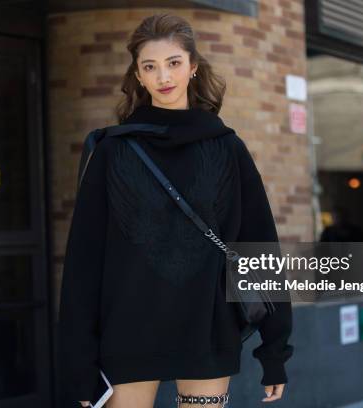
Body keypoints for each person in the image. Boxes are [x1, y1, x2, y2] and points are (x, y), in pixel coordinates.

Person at [58, 13, 294, 408]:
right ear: (137, 75)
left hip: (206, 327)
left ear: (193, 67)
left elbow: (259, 249)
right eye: (150, 66)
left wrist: (275, 351)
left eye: (173, 63)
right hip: (128, 330)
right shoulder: (113, 151)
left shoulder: (226, 147)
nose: (163, 76)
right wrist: (79, 363)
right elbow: (84, 260)